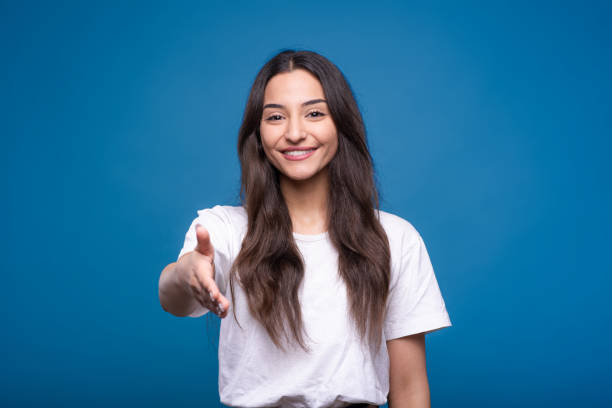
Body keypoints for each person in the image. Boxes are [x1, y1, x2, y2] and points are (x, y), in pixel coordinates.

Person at [158, 49, 452, 408]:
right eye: (276, 117)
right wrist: (186, 273)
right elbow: (172, 298)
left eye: (314, 113)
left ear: (340, 125)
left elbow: (409, 388)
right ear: (258, 134)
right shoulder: (224, 229)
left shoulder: (395, 238)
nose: (295, 133)